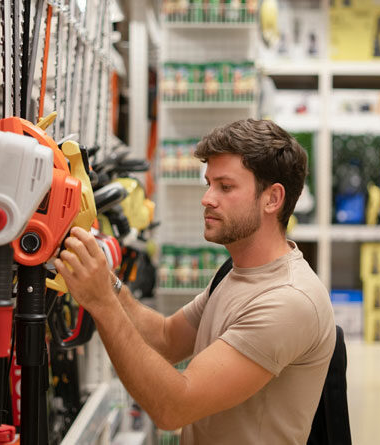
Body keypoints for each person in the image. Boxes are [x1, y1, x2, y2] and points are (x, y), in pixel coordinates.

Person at [54, 119, 336, 444]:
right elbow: (165, 340)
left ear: (272, 199)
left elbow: (174, 407)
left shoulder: (288, 300)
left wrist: (101, 302)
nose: (207, 199)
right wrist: (106, 281)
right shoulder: (235, 272)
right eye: (208, 184)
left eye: (225, 187)